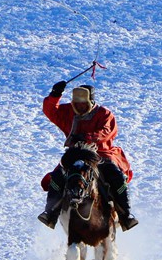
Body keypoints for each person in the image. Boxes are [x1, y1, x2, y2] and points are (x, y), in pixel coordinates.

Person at [38, 81, 138, 230]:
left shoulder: (104, 114)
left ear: (91, 101)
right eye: (76, 103)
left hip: (100, 154)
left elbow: (106, 131)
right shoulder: (68, 112)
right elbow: (51, 111)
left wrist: (87, 137)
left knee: (115, 175)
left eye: (83, 104)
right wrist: (55, 95)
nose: (79, 107)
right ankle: (51, 212)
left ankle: (125, 214)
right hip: (75, 153)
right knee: (58, 176)